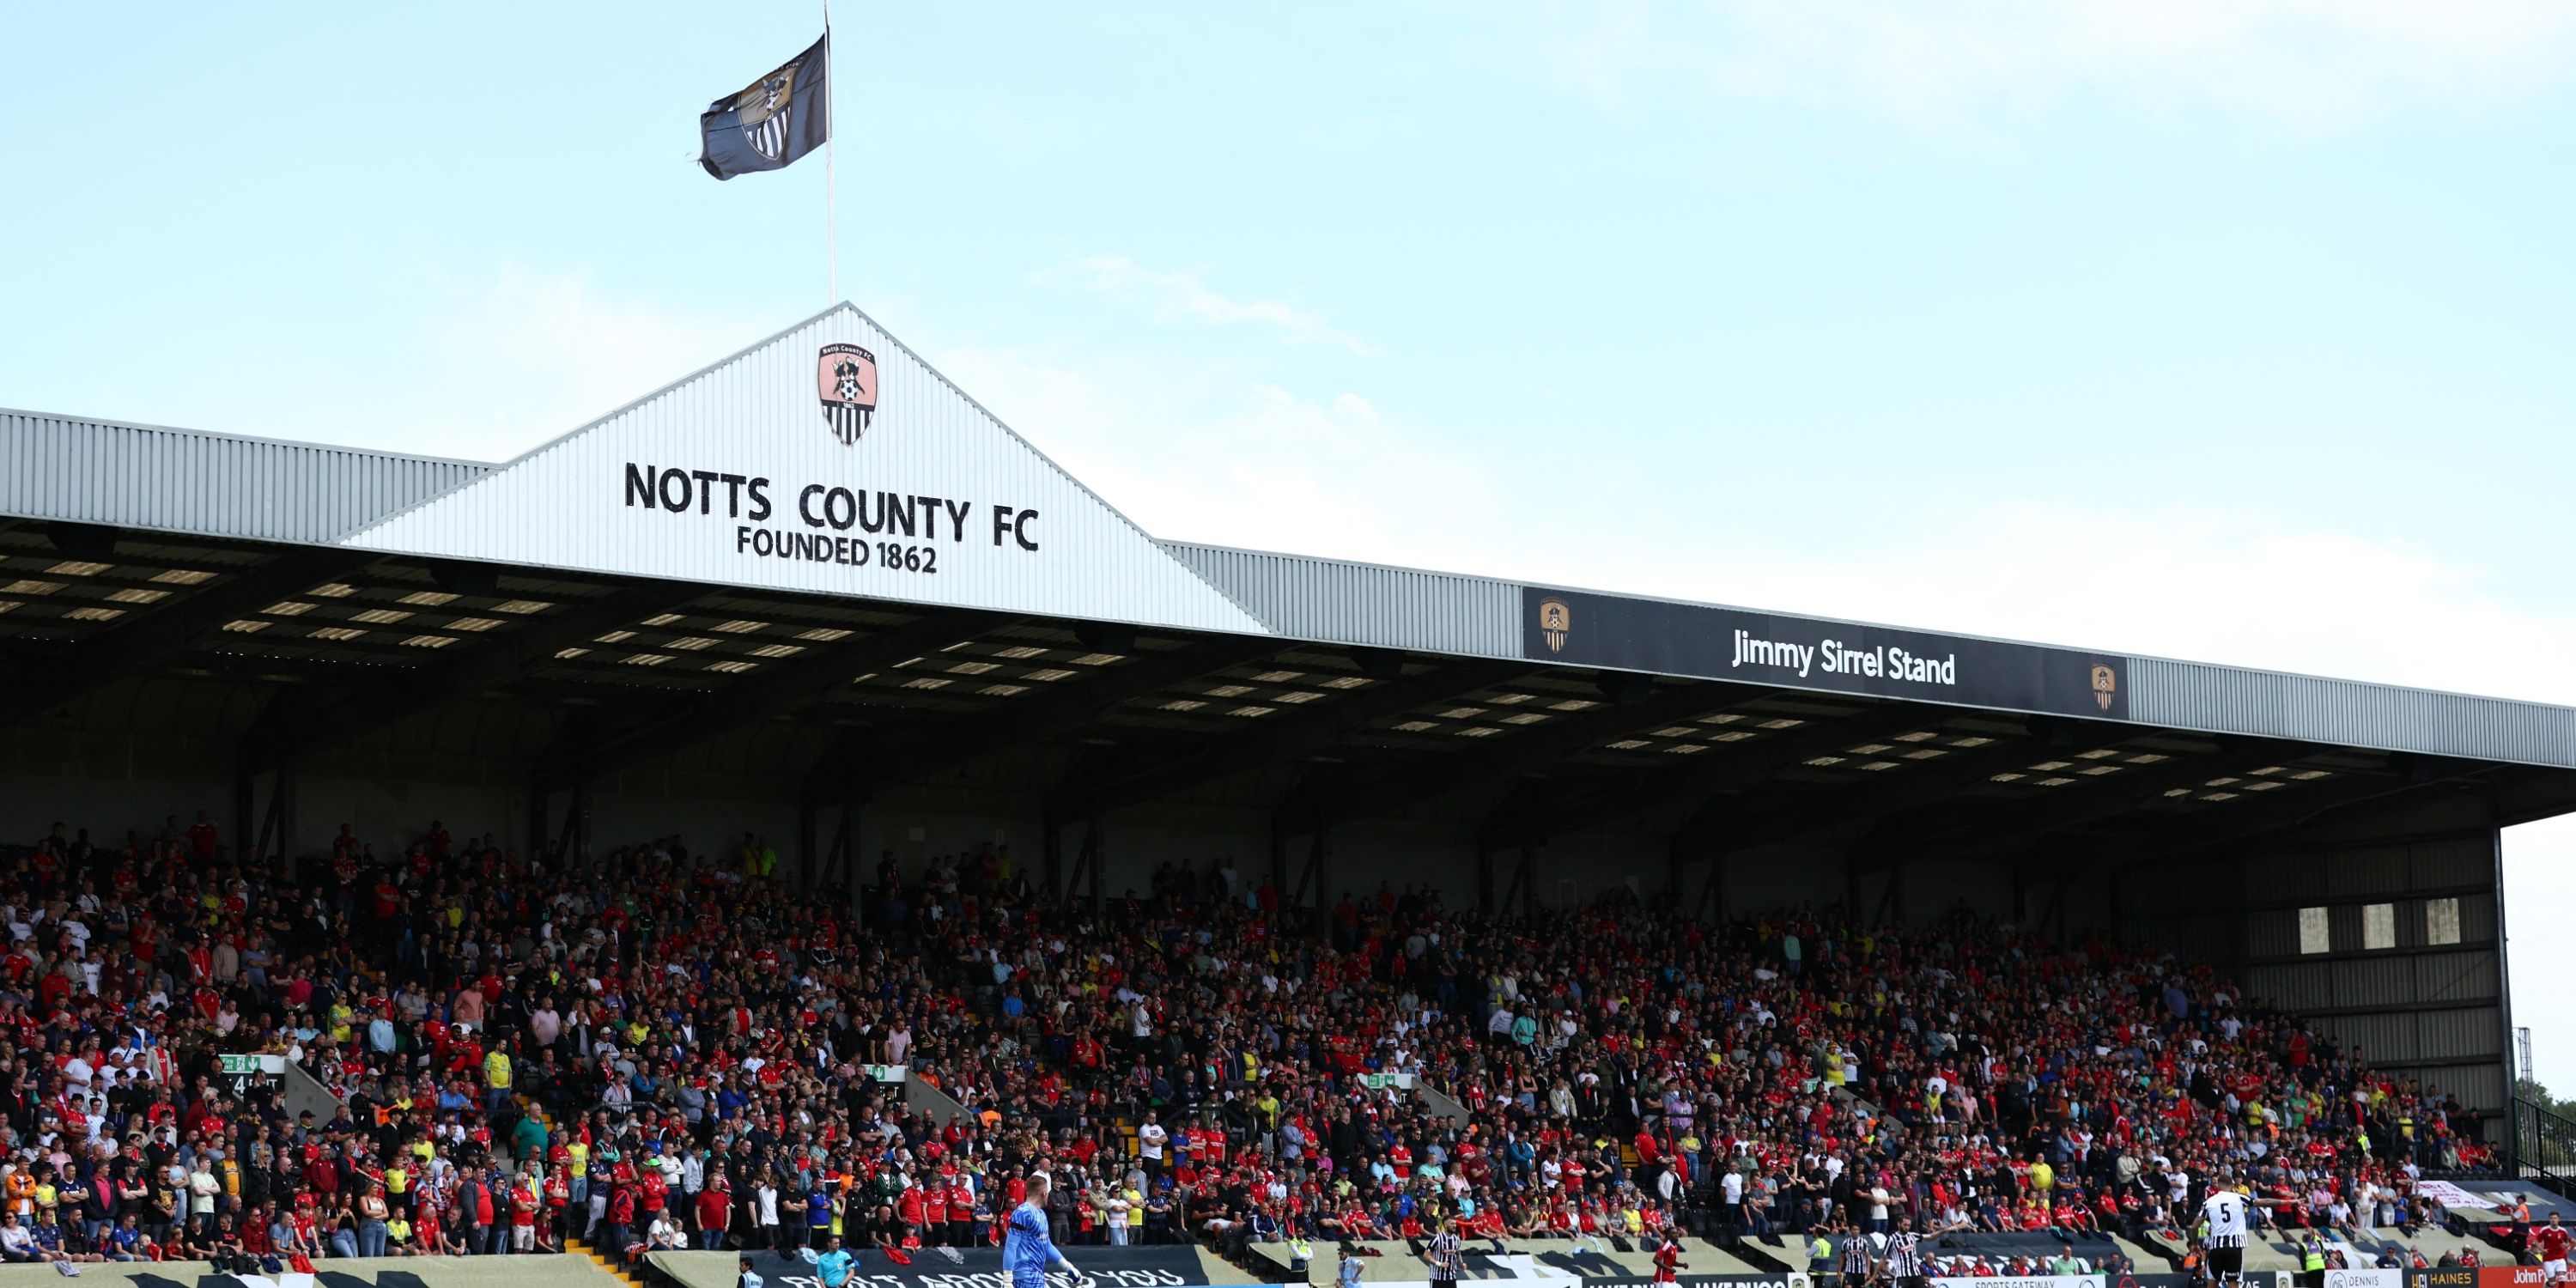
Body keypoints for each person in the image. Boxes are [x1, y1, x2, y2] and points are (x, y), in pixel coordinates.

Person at [1006, 1175, 1082, 1288]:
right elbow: (1010, 1247)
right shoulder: (1023, 1213)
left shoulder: (1041, 1214)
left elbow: (1047, 1245)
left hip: (1037, 1275)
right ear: (1044, 1192)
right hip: (1025, 1276)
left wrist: (1068, 1267)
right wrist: (1007, 1280)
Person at [1884, 1215, 1923, 1288]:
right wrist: (1873, 1277)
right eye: (1905, 1225)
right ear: (1899, 1224)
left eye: (1909, 1225)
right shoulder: (1892, 1239)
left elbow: (1930, 1236)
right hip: (1902, 1276)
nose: (1907, 1227)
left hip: (1916, 1274)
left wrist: (1943, 1231)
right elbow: (1883, 1258)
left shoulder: (1912, 1236)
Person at [1427, 1215, 1465, 1288]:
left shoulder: (1456, 1239)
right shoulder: (1437, 1238)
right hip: (1438, 1278)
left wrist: (1461, 1262)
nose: (1454, 1226)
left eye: (1455, 1224)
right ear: (1445, 1225)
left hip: (1452, 1278)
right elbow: (1426, 1255)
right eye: (1452, 1224)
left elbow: (1457, 1252)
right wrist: (1439, 1264)